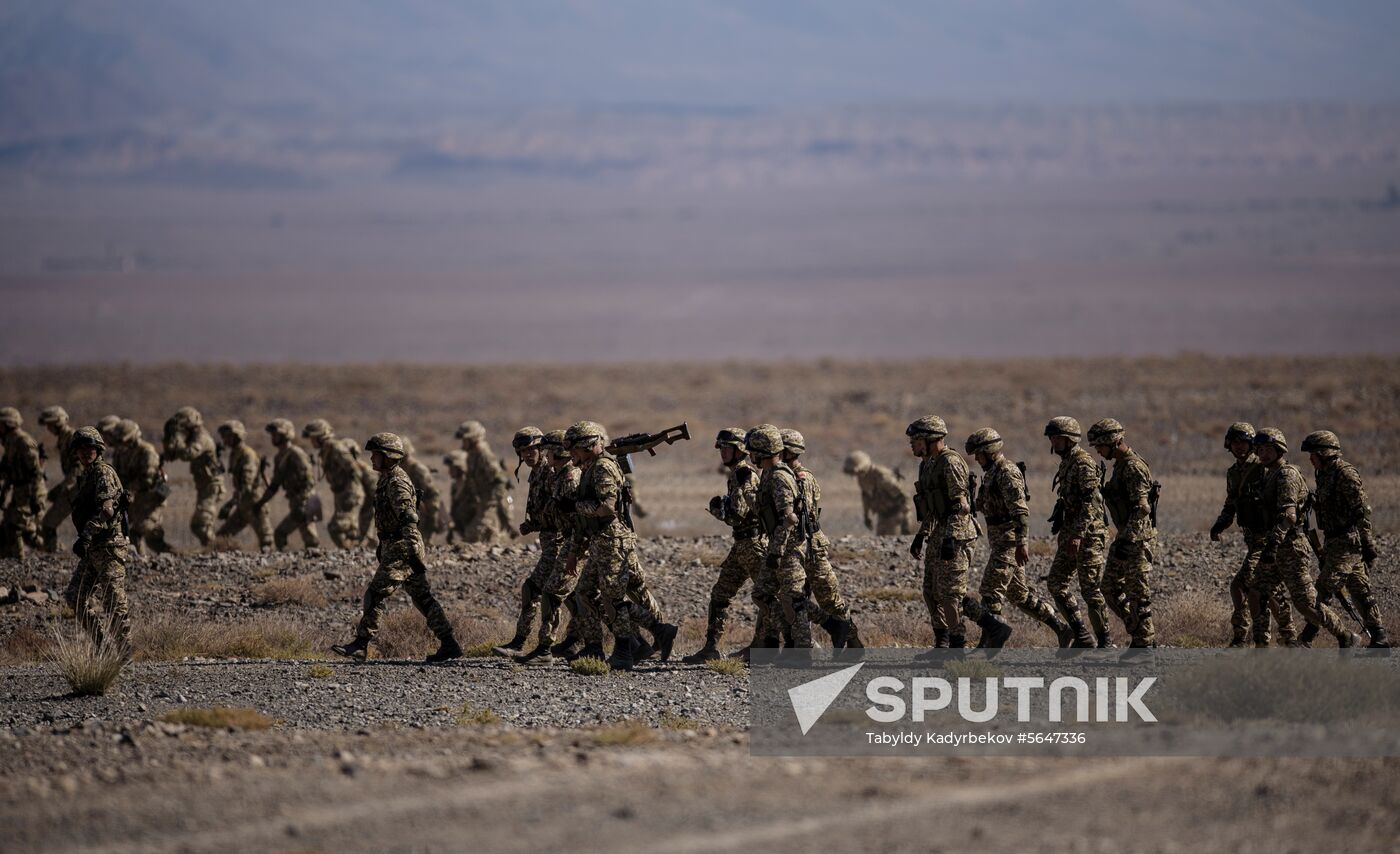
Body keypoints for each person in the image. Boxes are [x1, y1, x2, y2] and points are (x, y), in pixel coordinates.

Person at [332, 433, 461, 663]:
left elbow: (409, 518)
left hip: (403, 546)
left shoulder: (396, 482)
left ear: (389, 457)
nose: (372, 459)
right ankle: (450, 644)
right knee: (422, 598)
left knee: (376, 592)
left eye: (376, 455)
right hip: (398, 545)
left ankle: (361, 644)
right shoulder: (387, 478)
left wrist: (409, 548)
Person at [564, 420, 678, 671]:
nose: (572, 454)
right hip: (599, 542)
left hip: (612, 541)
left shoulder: (603, 467)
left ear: (590, 445)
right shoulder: (590, 467)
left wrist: (576, 505)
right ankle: (600, 646)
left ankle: (627, 649)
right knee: (584, 592)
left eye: (576, 448)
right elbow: (586, 519)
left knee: (613, 600)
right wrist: (574, 552)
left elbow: (607, 506)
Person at [963, 428, 1075, 648]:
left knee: (990, 591)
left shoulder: (1007, 473)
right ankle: (1061, 629)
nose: (976, 458)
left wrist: (1022, 543)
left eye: (979, 453)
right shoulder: (992, 473)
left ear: (990, 451)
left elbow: (1021, 512)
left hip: (1009, 543)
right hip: (1000, 542)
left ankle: (988, 647)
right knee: (1019, 595)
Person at [1251, 428, 1359, 648]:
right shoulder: (1268, 475)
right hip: (1276, 546)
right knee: (1257, 591)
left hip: (1290, 547)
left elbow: (1289, 516)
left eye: (1268, 449)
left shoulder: (1286, 475)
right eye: (1260, 449)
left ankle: (1345, 636)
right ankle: (1262, 646)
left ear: (1279, 449)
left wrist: (1274, 540)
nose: (1263, 454)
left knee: (1306, 603)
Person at [682, 428, 767, 663]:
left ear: (740, 450)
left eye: (727, 447)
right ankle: (711, 648)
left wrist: (719, 510)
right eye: (721, 447)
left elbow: (737, 514)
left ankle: (767, 648)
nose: (723, 452)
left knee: (768, 597)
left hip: (753, 544)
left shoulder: (743, 473)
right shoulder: (738, 472)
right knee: (721, 594)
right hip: (742, 545)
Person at [1210, 422, 1296, 647]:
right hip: (1253, 538)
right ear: (1229, 444)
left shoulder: (1262, 467)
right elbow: (1232, 503)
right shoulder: (1233, 473)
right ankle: (1287, 638)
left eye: (1245, 443)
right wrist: (1220, 525)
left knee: (1241, 586)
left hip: (1267, 539)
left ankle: (1244, 638)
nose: (1240, 447)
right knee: (1266, 590)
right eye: (1236, 442)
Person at [1302, 430, 1388, 648]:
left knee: (1322, 589)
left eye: (1313, 454)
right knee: (1360, 589)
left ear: (1324, 453)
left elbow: (1362, 510)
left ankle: (1308, 635)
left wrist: (1368, 543)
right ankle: (1379, 637)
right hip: (1333, 540)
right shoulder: (1322, 473)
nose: (1310, 459)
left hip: (1347, 542)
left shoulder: (1345, 474)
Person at [782, 428, 862, 648]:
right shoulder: (791, 476)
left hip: (807, 545)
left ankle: (851, 640)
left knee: (826, 599)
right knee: (799, 597)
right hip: (804, 545)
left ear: (788, 452)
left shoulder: (798, 479)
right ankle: (801, 646)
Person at [908, 415, 976, 649]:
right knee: (931, 592)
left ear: (930, 439)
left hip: (956, 535)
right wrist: (921, 534)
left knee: (950, 595)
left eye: (916, 440)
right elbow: (931, 508)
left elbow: (962, 506)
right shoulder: (926, 464)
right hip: (939, 532)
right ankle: (942, 643)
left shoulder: (950, 462)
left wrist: (951, 538)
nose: (912, 445)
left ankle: (957, 646)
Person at [62, 427, 131, 655]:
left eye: (89, 448)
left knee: (114, 601)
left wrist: (87, 534)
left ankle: (124, 654)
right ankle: (103, 648)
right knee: (75, 596)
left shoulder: (102, 473)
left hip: (109, 546)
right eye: (80, 449)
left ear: (98, 449)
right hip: (94, 548)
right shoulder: (88, 475)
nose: (84, 453)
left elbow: (107, 511)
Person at [746, 424, 813, 650]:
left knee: (794, 600)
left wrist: (777, 550)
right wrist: (748, 490)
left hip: (788, 549)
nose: (751, 456)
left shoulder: (779, 478)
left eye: (753, 451)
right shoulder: (768, 475)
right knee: (762, 594)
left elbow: (790, 518)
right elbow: (762, 509)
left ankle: (804, 650)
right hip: (776, 548)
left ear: (763, 451)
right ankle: (790, 637)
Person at [1042, 417, 1106, 648]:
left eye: (1056, 437)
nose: (1052, 441)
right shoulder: (1068, 462)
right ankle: (1081, 635)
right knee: (1056, 583)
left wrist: (1078, 534)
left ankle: (1105, 641)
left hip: (1088, 535)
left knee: (1090, 589)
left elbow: (1091, 502)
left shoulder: (1083, 463)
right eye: (1051, 437)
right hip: (1071, 533)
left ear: (1069, 439)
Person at [494, 427, 553, 657]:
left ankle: (524, 644)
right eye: (522, 452)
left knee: (535, 589)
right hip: (549, 541)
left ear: (541, 448)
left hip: (560, 543)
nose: (527, 455)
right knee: (578, 598)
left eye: (530, 450)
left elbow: (559, 511)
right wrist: (533, 524)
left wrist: (538, 523)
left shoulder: (549, 471)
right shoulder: (537, 471)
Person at [161, 407, 225, 548]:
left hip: (212, 486)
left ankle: (218, 551)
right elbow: (171, 455)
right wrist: (169, 439)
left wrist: (177, 438)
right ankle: (214, 551)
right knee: (200, 524)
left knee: (201, 524)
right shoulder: (192, 437)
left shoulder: (202, 438)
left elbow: (188, 454)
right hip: (204, 486)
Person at [110, 419, 172, 555]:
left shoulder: (147, 451)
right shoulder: (121, 453)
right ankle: (139, 560)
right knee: (120, 530)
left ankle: (173, 557)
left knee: (142, 534)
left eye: (123, 440)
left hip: (150, 499)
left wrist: (130, 489)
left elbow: (147, 479)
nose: (120, 444)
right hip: (133, 499)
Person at [257, 419, 319, 550]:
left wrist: (303, 501)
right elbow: (274, 485)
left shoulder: (296, 453)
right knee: (281, 535)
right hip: (296, 502)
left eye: (276, 435)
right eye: (272, 435)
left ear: (285, 435)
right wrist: (261, 502)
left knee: (310, 540)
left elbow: (309, 480)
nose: (273, 438)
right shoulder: (279, 457)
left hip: (305, 501)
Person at [302, 419, 365, 549]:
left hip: (349, 493)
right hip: (340, 493)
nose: (311, 441)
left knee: (335, 528)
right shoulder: (326, 450)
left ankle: (351, 553)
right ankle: (357, 552)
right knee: (349, 529)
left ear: (321, 437)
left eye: (313, 438)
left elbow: (354, 470)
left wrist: (351, 493)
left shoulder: (335, 448)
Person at [214, 420, 273, 550]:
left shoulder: (247, 455)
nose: (225, 441)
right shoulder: (235, 454)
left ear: (236, 436)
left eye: (227, 437)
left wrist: (231, 503)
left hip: (255, 503)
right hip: (243, 504)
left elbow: (247, 483)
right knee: (221, 537)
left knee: (266, 541)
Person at [0, 407, 48, 559]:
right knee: (16, 527)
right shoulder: (9, 441)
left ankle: (20, 559)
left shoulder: (24, 441)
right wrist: (4, 493)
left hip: (31, 490)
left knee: (16, 526)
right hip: (20, 490)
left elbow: (36, 473)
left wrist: (34, 498)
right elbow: (9, 472)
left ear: (7, 424)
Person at [454, 420, 513, 543]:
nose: (462, 443)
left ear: (473, 439)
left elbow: (499, 480)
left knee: (474, 533)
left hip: (490, 500)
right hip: (480, 498)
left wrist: (493, 504)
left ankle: (497, 546)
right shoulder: (472, 454)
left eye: (465, 440)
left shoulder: (484, 455)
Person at [843, 450, 914, 535]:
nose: (854, 475)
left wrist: (906, 520)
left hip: (896, 515)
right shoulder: (862, 478)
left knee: (893, 542)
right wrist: (866, 516)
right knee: (881, 542)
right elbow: (866, 496)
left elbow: (904, 497)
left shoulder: (882, 476)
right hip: (882, 516)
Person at [37, 406, 78, 552]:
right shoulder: (64, 438)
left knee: (48, 523)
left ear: (57, 423)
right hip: (73, 486)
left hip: (77, 488)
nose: (48, 428)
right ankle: (53, 552)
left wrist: (63, 488)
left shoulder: (72, 437)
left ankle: (53, 553)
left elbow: (78, 468)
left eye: (50, 424)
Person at [400, 438, 445, 544]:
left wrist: (432, 516)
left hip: (425, 507)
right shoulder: (401, 468)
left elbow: (431, 493)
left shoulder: (418, 469)